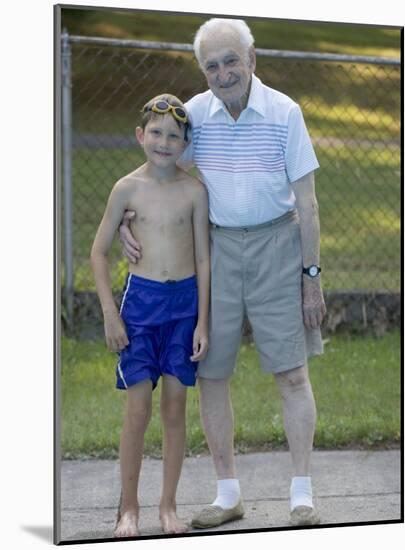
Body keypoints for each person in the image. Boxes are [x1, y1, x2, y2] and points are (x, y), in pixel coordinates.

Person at [119, 18, 326, 528]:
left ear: (252, 59)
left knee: (293, 373)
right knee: (211, 373)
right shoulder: (195, 115)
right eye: (211, 65)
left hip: (279, 244)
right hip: (214, 252)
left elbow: (309, 202)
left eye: (231, 60)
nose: (223, 72)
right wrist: (126, 216)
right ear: (202, 70)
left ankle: (302, 494)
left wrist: (311, 276)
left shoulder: (285, 113)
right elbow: (158, 169)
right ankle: (227, 494)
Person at [90, 93, 210, 537]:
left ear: (185, 144)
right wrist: (109, 313)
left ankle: (168, 505)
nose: (163, 141)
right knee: (137, 411)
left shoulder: (194, 191)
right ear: (141, 136)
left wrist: (202, 321)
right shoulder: (126, 189)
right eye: (156, 133)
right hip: (139, 307)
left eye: (173, 135)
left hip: (184, 307)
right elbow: (99, 253)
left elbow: (203, 261)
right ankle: (129, 509)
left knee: (175, 408)